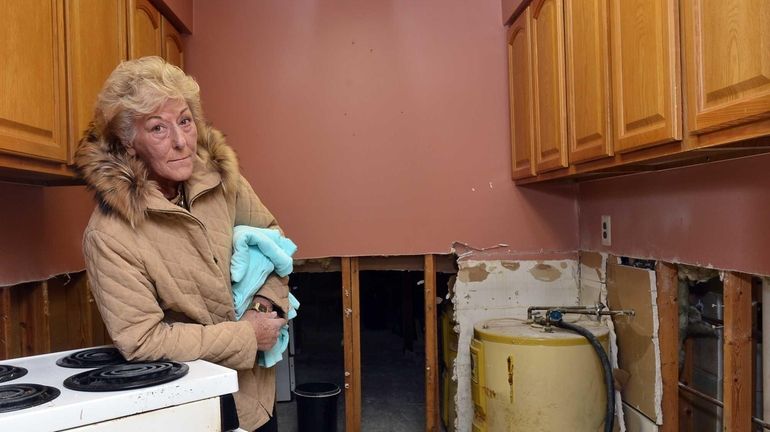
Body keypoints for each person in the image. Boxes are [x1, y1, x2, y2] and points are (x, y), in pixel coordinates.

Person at [75, 56, 287, 432]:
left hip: (256, 396)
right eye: (158, 128)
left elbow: (271, 238)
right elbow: (142, 341)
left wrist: (264, 304)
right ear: (128, 142)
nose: (181, 142)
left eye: (185, 121)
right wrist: (247, 335)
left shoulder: (220, 179)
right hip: (189, 408)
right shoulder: (108, 235)